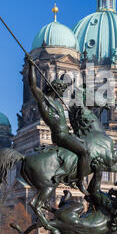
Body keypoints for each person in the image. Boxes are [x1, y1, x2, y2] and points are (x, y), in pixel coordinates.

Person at [26, 56, 90, 195]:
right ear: (56, 89)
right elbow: (33, 86)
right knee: (85, 151)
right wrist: (31, 66)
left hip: (67, 133)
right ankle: (80, 181)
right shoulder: (44, 101)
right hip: (61, 136)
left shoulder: (58, 104)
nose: (63, 93)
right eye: (61, 90)